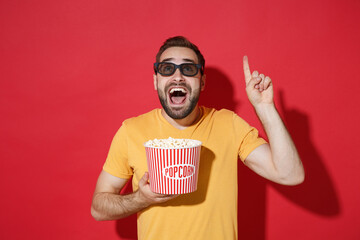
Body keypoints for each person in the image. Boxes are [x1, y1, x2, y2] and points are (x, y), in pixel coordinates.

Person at [91, 36, 305, 239]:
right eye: (167, 69)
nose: (177, 76)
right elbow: (99, 208)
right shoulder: (132, 130)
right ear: (156, 81)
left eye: (188, 69)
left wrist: (265, 107)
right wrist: (142, 198)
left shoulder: (228, 124)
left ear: (202, 82)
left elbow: (290, 175)